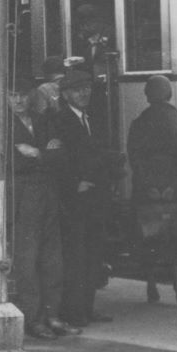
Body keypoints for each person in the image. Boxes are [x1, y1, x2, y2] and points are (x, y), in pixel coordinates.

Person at [50, 66, 119, 327]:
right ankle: (74, 312)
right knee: (76, 257)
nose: (83, 93)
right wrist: (74, 184)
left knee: (93, 255)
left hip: (94, 199)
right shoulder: (62, 120)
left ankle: (87, 309)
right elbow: (60, 159)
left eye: (87, 88)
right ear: (66, 94)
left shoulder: (89, 118)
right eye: (77, 90)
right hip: (75, 200)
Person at [7, 72, 71, 339]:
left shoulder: (42, 121)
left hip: (48, 196)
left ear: (32, 95)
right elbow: (14, 162)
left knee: (52, 258)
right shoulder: (5, 127)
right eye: (13, 95)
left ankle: (52, 315)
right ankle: (34, 320)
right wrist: (46, 154)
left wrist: (36, 153)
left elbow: (61, 156)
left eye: (23, 94)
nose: (19, 100)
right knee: (28, 260)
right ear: (6, 98)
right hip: (24, 200)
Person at [126, 75, 177, 306]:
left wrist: (150, 187)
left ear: (147, 95)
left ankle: (151, 285)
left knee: (149, 236)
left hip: (147, 189)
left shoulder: (139, 123)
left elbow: (134, 159)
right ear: (169, 94)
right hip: (173, 189)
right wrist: (173, 186)